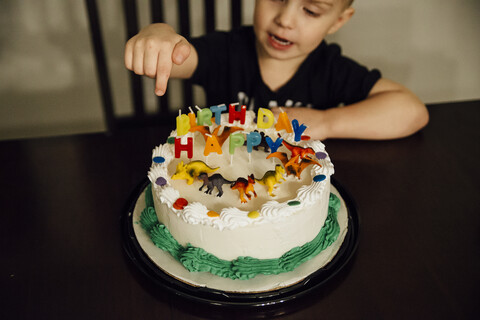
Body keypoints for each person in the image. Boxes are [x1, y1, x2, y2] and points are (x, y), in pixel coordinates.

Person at [124, 0, 429, 140]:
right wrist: (160, 34)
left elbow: (412, 111)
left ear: (338, 21)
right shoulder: (228, 51)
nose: (285, 19)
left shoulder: (332, 70)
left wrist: (327, 122)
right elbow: (178, 57)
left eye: (310, 10)